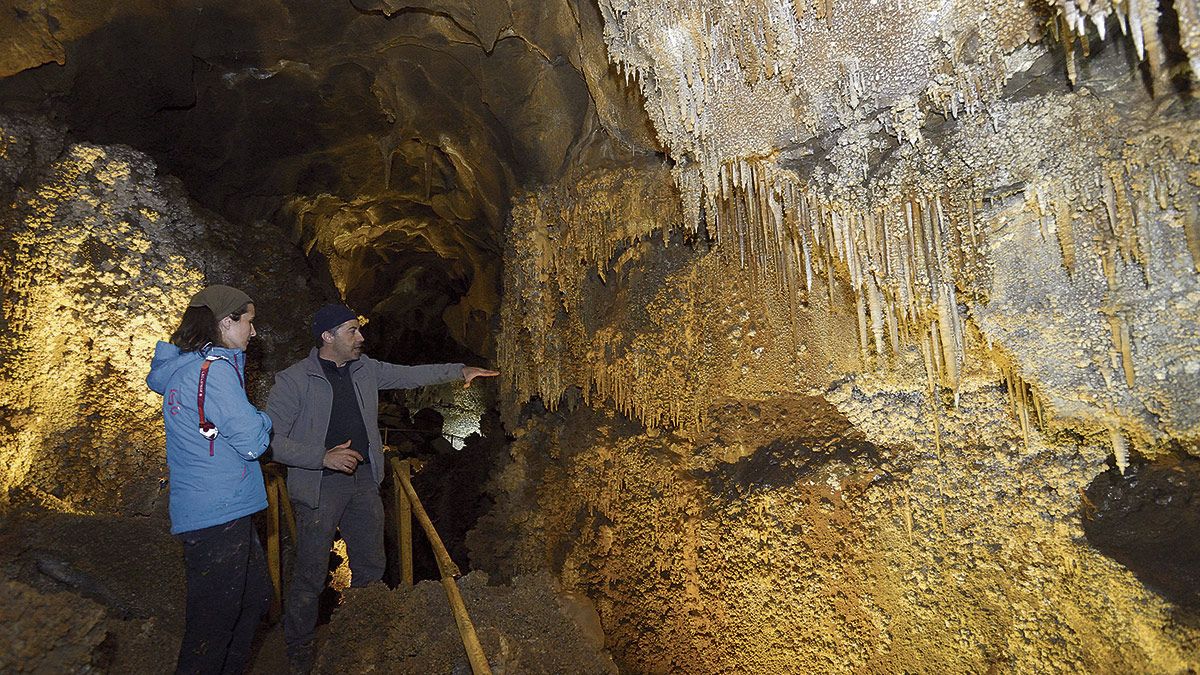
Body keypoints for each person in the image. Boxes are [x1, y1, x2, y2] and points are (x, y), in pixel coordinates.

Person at [266, 304, 498, 671]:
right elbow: (269, 439)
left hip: (362, 480)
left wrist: (459, 370)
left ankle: (360, 639)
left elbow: (409, 376)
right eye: (352, 332)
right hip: (318, 486)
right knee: (310, 573)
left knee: (372, 565)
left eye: (359, 330)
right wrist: (321, 457)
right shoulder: (294, 380)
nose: (361, 338)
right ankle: (298, 649)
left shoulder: (365, 370)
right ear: (328, 337)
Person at [146, 285, 273, 675]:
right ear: (225, 322)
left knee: (253, 600)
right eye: (248, 322)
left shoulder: (190, 368)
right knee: (213, 624)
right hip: (218, 514)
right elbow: (254, 441)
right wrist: (263, 419)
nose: (253, 333)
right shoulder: (213, 372)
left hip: (222, 508)